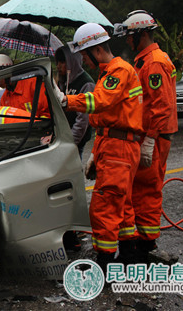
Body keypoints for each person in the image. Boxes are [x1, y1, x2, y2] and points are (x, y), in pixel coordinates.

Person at [61, 23, 143, 272]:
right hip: (115, 144)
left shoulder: (118, 71)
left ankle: (105, 265)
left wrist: (67, 100)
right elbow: (105, 119)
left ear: (96, 50)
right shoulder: (110, 73)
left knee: (104, 206)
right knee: (123, 205)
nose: (84, 61)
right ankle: (129, 256)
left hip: (119, 148)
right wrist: (96, 153)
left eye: (85, 55)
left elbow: (100, 101)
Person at [113, 10, 178, 263]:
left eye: (131, 36)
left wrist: (149, 140)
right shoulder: (146, 60)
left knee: (147, 191)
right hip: (149, 135)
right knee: (139, 191)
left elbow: (160, 106)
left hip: (155, 137)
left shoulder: (154, 63)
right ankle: (142, 244)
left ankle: (147, 246)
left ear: (141, 34)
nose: (128, 41)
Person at [55, 46, 95, 159]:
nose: (58, 66)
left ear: (72, 61)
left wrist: (70, 144)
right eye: (57, 62)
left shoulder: (86, 83)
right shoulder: (62, 81)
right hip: (62, 138)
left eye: (62, 62)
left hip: (75, 142)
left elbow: (83, 120)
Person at [0, 54, 51, 119]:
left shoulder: (33, 84)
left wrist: (39, 126)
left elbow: (47, 111)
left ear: (6, 74)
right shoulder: (4, 99)